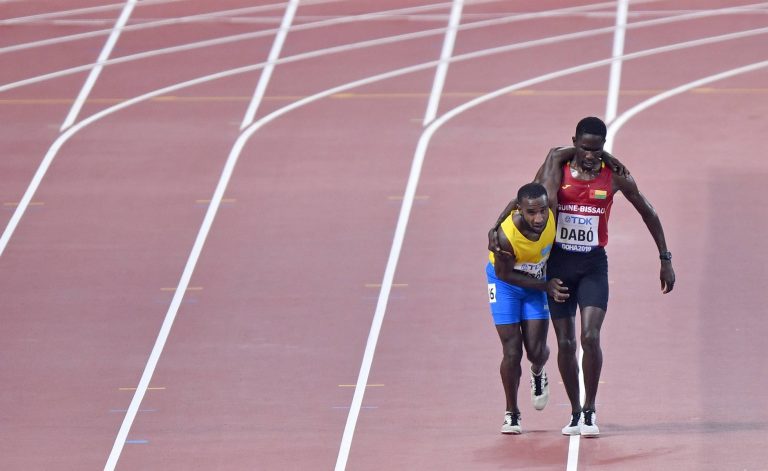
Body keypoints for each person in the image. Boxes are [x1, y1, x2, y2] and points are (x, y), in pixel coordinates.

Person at [491, 117, 675, 437]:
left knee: (590, 337)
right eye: (585, 147)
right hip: (559, 265)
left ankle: (590, 410)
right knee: (565, 342)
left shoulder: (614, 176)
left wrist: (665, 257)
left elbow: (648, 211)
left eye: (597, 149)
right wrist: (496, 228)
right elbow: (529, 189)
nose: (590, 155)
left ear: (604, 147)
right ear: (574, 141)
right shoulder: (557, 170)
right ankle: (574, 412)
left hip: (592, 265)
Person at [486, 182, 569, 434]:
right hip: (505, 286)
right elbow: (506, 274)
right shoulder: (505, 237)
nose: (539, 218)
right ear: (519, 211)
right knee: (511, 351)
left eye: (542, 211)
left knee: (535, 352)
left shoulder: (550, 211)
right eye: (531, 213)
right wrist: (545, 286)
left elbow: (555, 156)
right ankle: (512, 412)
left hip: (536, 285)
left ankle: (538, 371)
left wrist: (608, 160)